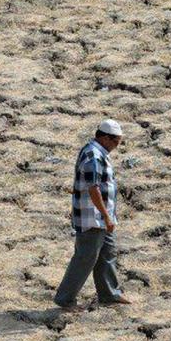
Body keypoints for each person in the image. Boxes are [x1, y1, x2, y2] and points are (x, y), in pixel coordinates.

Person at [53, 119, 132, 311]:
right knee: (85, 258)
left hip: (102, 218)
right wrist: (106, 216)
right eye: (116, 142)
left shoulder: (99, 152)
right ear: (105, 137)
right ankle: (65, 299)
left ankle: (109, 294)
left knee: (107, 254)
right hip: (93, 218)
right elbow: (93, 188)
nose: (117, 146)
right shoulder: (93, 156)